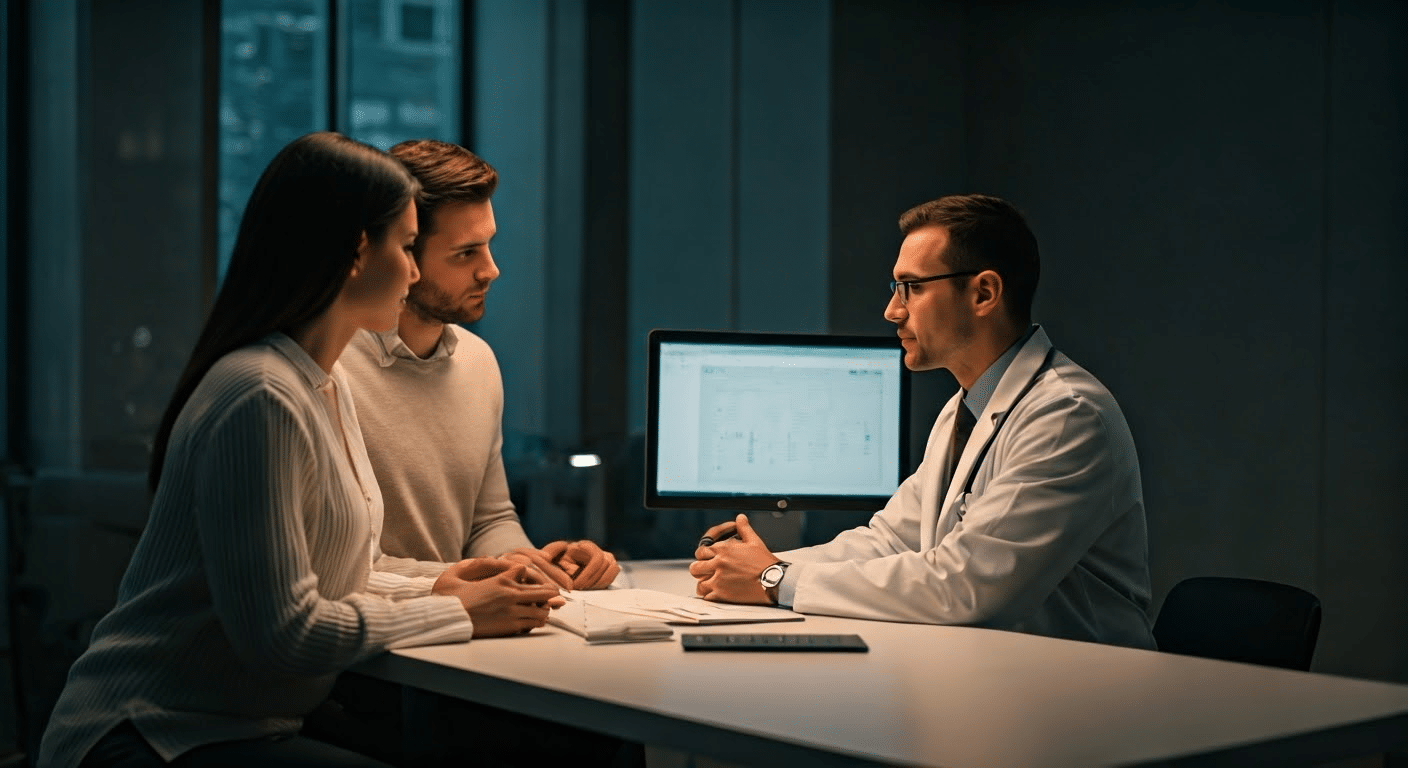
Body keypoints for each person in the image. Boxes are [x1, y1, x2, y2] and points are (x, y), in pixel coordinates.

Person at [38, 132, 563, 768]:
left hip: (241, 727)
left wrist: (449, 581)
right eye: (405, 246)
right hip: (153, 731)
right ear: (354, 255)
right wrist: (454, 611)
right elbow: (283, 636)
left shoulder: (314, 385)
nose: (416, 270)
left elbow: (347, 572)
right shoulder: (261, 395)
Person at [690, 193, 1154, 649]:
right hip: (1000, 677)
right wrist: (752, 567)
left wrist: (774, 579)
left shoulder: (1066, 415)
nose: (893, 310)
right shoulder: (965, 407)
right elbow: (891, 541)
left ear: (984, 293)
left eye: (912, 287)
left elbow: (968, 586)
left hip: (1081, 694)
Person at [338, 138, 619, 591]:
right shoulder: (329, 369)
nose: (491, 270)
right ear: (405, 252)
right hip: (379, 637)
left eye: (488, 245)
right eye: (466, 253)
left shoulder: (477, 361)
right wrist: (480, 578)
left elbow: (489, 521)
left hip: (462, 626)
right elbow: (339, 568)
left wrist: (539, 563)